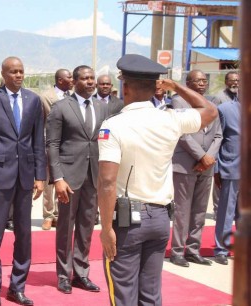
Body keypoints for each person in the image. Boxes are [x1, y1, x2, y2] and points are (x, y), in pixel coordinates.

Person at [97, 54, 217, 306]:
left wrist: (106, 228)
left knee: (123, 294)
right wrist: (176, 86)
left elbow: (107, 182)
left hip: (127, 223)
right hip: (160, 219)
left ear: (125, 87)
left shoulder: (113, 125)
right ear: (156, 87)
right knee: (150, 294)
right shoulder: (171, 119)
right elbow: (210, 111)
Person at [0, 56, 46, 306]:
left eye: (21, 71)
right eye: (13, 71)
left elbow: (38, 140)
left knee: (24, 235)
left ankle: (17, 287)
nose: (18, 75)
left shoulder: (33, 100)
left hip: (26, 177)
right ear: (3, 74)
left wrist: (40, 176)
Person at [46, 65, 106, 295]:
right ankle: (63, 274)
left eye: (93, 78)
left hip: (94, 176)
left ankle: (81, 273)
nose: (91, 82)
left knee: (86, 227)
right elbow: (51, 144)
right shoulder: (61, 107)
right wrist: (58, 177)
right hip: (69, 178)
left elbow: (103, 139)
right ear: (75, 82)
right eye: (86, 78)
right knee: (65, 227)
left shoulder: (101, 107)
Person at [169, 70, 222, 267]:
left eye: (204, 80)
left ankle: (193, 249)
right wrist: (201, 156)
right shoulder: (178, 102)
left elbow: (218, 136)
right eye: (197, 80)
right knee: (182, 210)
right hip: (185, 164)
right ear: (188, 83)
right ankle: (177, 251)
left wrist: (209, 158)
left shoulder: (212, 105)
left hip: (207, 166)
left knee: (200, 210)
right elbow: (182, 134)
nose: (202, 83)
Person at [39, 68, 73, 231]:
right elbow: (40, 123)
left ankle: (60, 215)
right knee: (48, 182)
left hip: (67, 146)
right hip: (49, 145)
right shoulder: (46, 97)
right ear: (60, 80)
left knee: (63, 180)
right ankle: (48, 215)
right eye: (69, 77)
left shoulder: (73, 97)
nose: (72, 80)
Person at [213, 97, 241, 265]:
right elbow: (218, 139)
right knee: (226, 212)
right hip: (231, 168)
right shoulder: (225, 109)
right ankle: (222, 249)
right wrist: (216, 170)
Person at [212, 71, 239, 218]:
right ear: (226, 82)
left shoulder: (240, 99)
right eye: (232, 80)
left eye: (237, 80)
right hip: (224, 151)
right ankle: (218, 212)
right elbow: (216, 127)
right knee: (220, 188)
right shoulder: (219, 99)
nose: (235, 83)